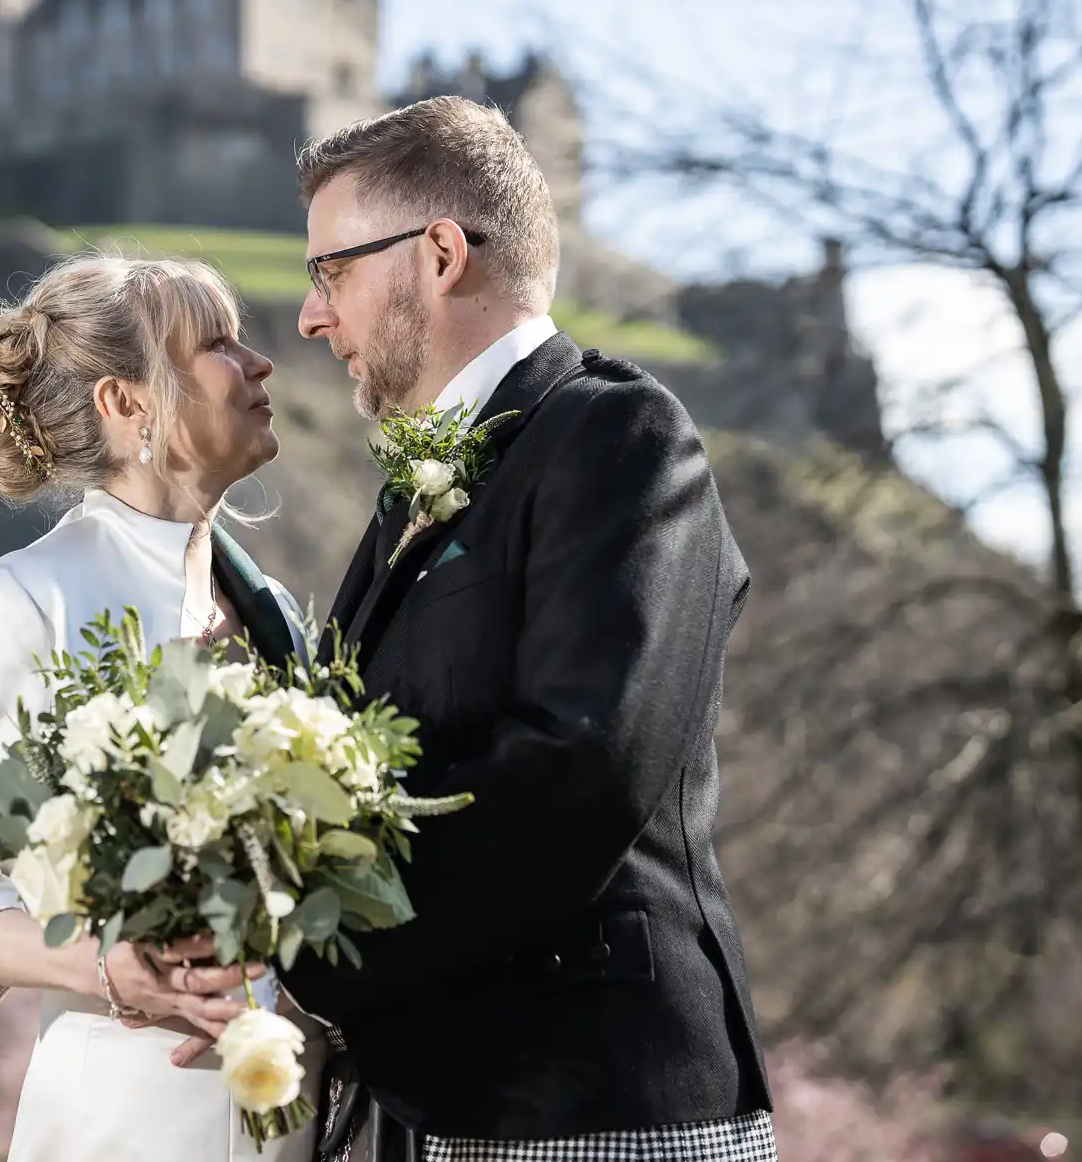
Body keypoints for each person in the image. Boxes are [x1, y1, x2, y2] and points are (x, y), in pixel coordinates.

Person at [244, 96, 776, 1160]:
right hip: (430, 1109)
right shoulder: (411, 492)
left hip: (597, 1107)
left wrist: (308, 945)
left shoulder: (618, 435)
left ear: (438, 254)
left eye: (330, 272)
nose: (310, 317)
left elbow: (583, 765)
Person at [0, 253, 327, 1162]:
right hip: (129, 1117)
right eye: (217, 343)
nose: (259, 364)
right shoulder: (18, 603)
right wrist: (105, 966)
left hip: (302, 1117)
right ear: (127, 403)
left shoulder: (277, 611)